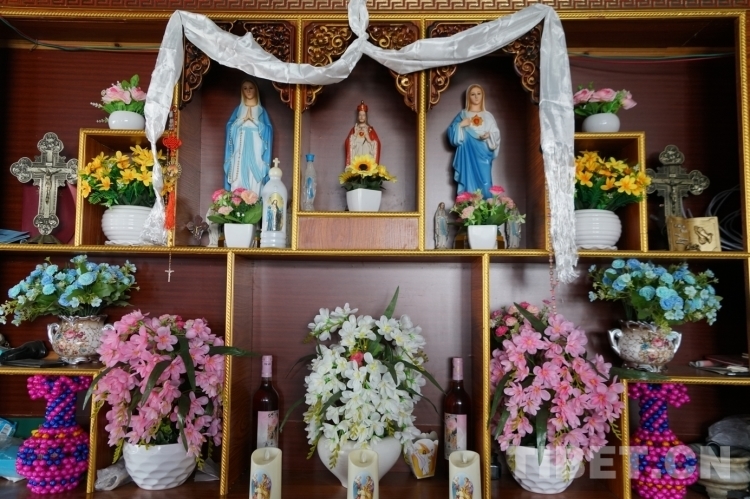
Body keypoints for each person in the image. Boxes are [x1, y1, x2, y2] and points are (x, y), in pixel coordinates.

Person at [447, 84, 500, 199]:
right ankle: (469, 203)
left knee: (486, 180)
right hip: (468, 155)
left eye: (479, 94)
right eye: (473, 94)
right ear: (468, 97)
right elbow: (451, 133)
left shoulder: (488, 116)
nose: (476, 97)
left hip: (484, 153)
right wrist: (461, 125)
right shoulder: (463, 115)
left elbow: (496, 133)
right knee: (468, 178)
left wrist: (489, 135)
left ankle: (487, 204)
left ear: (483, 96)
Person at [224, 78, 273, 195]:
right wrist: (242, 121)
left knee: (256, 167)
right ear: (242, 91)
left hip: (256, 144)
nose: (248, 91)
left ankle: (254, 196)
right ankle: (237, 197)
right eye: (245, 88)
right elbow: (230, 127)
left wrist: (255, 122)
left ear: (256, 90)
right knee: (238, 166)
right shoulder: (238, 110)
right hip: (240, 145)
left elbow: (268, 130)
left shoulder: (261, 111)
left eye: (251, 88)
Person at [345, 101, 380, 166]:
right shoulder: (354, 129)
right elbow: (348, 144)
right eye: (360, 115)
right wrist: (355, 135)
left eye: (363, 115)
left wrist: (368, 139)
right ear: (358, 116)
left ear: (366, 116)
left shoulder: (370, 130)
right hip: (356, 157)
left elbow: (376, 143)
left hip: (367, 157)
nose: (361, 117)